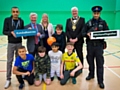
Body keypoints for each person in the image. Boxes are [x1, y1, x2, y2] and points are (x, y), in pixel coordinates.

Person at [81, 6, 109, 89]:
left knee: (100, 63)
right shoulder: (88, 23)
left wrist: (102, 35)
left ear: (100, 13)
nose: (96, 14)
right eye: (95, 13)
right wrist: (87, 34)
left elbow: (108, 32)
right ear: (92, 13)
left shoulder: (103, 22)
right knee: (90, 61)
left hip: (99, 46)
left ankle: (100, 81)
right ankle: (91, 74)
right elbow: (83, 33)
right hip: (90, 46)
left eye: (97, 13)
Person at [3, 6, 24, 89]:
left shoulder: (21, 21)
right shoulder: (7, 20)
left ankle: (20, 77)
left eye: (17, 11)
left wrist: (28, 31)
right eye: (14, 11)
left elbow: (22, 31)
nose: (15, 13)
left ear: (19, 12)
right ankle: (8, 79)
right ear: (11, 12)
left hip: (19, 43)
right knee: (9, 61)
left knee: (19, 61)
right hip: (11, 43)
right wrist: (10, 33)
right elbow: (4, 31)